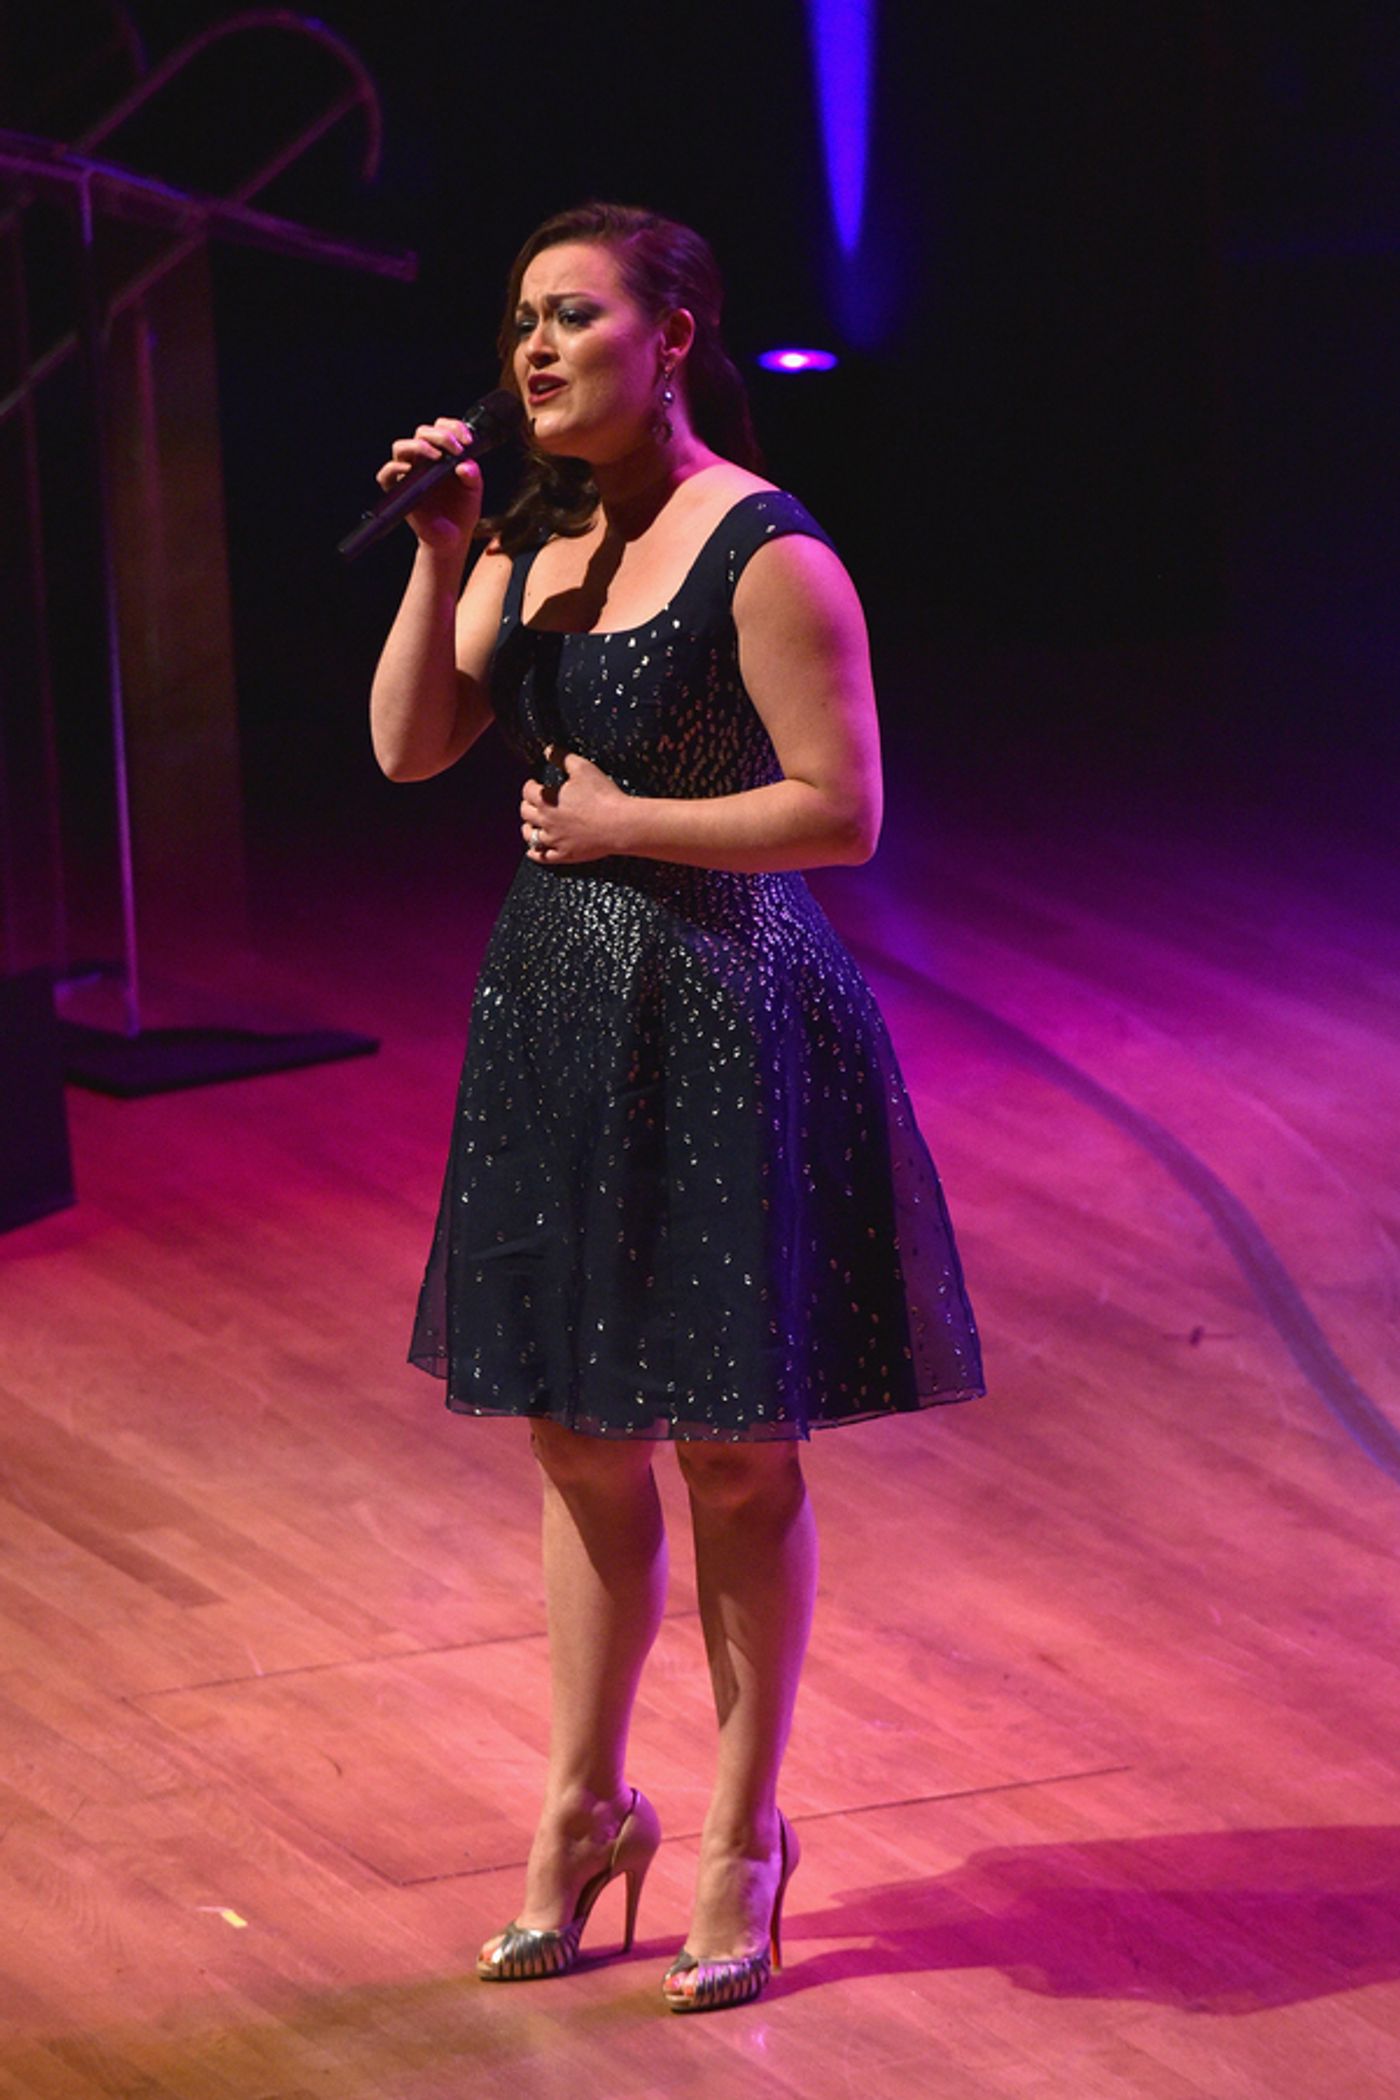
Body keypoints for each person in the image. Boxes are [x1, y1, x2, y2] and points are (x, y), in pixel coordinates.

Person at [369, 202, 983, 2013]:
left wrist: (627, 823)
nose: (536, 349)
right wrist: (441, 554)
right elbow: (409, 748)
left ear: (676, 337)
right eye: (521, 320)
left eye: (574, 316)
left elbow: (843, 812)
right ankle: (581, 1810)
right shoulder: (526, 537)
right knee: (574, 1437)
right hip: (559, 1019)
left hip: (727, 1011)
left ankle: (739, 1836)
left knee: (732, 1449)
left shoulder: (768, 550)